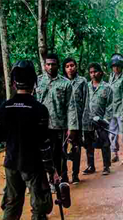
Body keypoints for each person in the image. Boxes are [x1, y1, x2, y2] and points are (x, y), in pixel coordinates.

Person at [0, 60, 58, 220]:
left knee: (11, 205)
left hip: (11, 164)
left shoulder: (5, 107)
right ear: (34, 82)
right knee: (39, 208)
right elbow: (44, 145)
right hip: (34, 165)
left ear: (13, 83)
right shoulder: (40, 109)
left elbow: (2, 136)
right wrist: (51, 170)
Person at [35, 54, 79, 184]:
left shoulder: (65, 83)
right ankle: (44, 182)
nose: (50, 67)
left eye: (53, 64)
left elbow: (71, 106)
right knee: (41, 154)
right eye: (48, 64)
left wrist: (72, 127)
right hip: (41, 126)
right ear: (44, 65)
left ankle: (59, 180)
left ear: (58, 66)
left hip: (58, 126)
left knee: (58, 154)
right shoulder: (38, 81)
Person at [62, 57, 90, 184]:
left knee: (76, 148)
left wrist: (85, 121)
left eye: (72, 65)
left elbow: (86, 102)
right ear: (64, 68)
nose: (70, 68)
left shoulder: (82, 81)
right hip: (63, 122)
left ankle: (75, 175)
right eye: (67, 66)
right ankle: (64, 176)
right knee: (62, 149)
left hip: (77, 121)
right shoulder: (61, 81)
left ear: (76, 66)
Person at [82, 63, 112, 175]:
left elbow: (110, 106)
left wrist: (105, 119)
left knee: (105, 143)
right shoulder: (86, 86)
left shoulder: (107, 87)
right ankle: (91, 166)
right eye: (91, 72)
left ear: (100, 72)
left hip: (101, 121)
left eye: (95, 72)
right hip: (88, 120)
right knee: (89, 144)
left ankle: (106, 166)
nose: (93, 74)